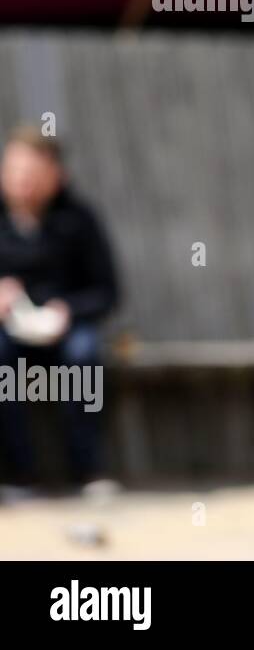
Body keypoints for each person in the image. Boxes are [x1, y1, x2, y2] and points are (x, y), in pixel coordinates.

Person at [0, 126, 118, 491]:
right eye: (15, 173)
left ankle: (88, 469)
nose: (23, 183)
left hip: (66, 329)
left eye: (33, 175)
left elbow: (107, 291)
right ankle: (19, 474)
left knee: (84, 355)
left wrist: (68, 308)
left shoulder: (79, 220)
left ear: (57, 177)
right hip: (7, 330)